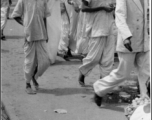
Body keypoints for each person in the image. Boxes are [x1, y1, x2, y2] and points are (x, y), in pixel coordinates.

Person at [93, 0, 150, 106]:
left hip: (143, 41)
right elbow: (119, 16)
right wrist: (126, 36)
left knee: (146, 73)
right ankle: (99, 88)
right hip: (129, 40)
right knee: (123, 74)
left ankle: (145, 102)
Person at [11, 0, 51, 94]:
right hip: (30, 35)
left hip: (41, 34)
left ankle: (33, 75)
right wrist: (25, 25)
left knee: (46, 61)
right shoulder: (23, 1)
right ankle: (28, 84)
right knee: (29, 61)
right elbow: (15, 15)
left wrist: (46, 33)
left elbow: (44, 17)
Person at [78, 0, 116, 86]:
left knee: (108, 59)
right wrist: (102, 8)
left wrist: (112, 8)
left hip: (110, 26)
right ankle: (83, 71)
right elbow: (84, 8)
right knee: (94, 57)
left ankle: (103, 83)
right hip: (97, 27)